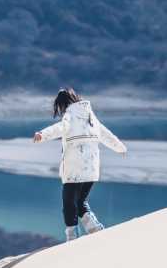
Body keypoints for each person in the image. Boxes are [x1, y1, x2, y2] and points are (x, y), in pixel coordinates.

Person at [32, 88, 127, 241]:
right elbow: (105, 134)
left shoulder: (70, 115)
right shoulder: (91, 116)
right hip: (92, 170)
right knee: (80, 202)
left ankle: (72, 237)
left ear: (63, 104)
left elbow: (60, 128)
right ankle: (94, 228)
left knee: (69, 203)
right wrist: (120, 147)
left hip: (74, 169)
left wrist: (42, 134)